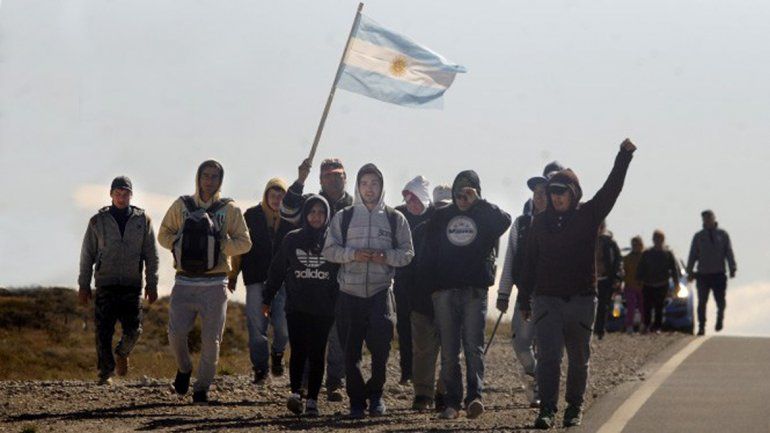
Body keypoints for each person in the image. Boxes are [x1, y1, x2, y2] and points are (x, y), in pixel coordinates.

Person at [517, 139, 636, 429]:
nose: (556, 198)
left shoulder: (589, 215)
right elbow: (528, 263)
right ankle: (546, 409)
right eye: (552, 192)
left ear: (573, 194)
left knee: (579, 358)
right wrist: (523, 300)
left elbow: (612, 189)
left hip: (582, 299)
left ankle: (574, 407)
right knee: (548, 358)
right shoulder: (539, 223)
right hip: (547, 299)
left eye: (562, 193)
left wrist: (624, 156)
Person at [323, 163, 414, 418]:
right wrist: (353, 254)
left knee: (381, 350)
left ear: (382, 186)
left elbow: (407, 254)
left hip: (380, 293)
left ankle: (376, 396)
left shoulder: (396, 218)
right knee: (349, 352)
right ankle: (356, 401)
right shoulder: (345, 217)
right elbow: (329, 250)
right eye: (364, 183)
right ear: (357, 186)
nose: (369, 188)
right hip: (348, 294)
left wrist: (386, 257)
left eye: (374, 183)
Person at [158, 160, 251, 404]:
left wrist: (220, 246)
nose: (209, 181)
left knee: (212, 340)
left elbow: (245, 242)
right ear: (198, 178)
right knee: (176, 333)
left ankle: (202, 388)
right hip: (184, 281)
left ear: (220, 180)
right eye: (205, 176)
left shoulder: (229, 209)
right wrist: (181, 243)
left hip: (215, 282)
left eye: (214, 177)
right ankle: (185, 368)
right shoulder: (182, 206)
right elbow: (162, 234)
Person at [423, 170, 511, 420]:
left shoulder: (484, 216)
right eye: (459, 192)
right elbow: (427, 250)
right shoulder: (442, 216)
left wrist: (479, 203)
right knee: (450, 350)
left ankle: (475, 397)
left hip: (475, 291)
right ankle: (452, 402)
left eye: (468, 192)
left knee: (474, 346)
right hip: (445, 292)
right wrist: (433, 288)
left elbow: (505, 221)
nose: (462, 197)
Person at [281, 157, 353, 401]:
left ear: (346, 177)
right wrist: (300, 180)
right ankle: (302, 386)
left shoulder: (354, 206)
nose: (334, 179)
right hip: (312, 283)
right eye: (329, 175)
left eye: (338, 174)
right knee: (308, 339)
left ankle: (335, 383)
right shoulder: (311, 202)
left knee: (338, 335)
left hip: (343, 281)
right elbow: (287, 211)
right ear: (320, 179)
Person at [262, 195, 339, 417]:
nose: (316, 217)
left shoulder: (333, 241)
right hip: (296, 307)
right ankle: (296, 393)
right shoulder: (292, 239)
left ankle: (313, 399)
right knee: (298, 351)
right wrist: (267, 298)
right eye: (312, 212)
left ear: (327, 216)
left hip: (324, 310)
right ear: (305, 215)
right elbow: (277, 270)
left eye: (321, 213)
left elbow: (341, 275)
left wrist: (338, 304)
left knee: (317, 354)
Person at [78, 176, 159, 385]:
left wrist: (152, 283)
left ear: (131, 195)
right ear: (111, 194)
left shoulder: (143, 221)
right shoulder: (98, 221)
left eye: (125, 194)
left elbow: (151, 255)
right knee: (103, 332)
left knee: (134, 330)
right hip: (106, 284)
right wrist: (83, 285)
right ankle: (106, 373)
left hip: (132, 286)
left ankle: (122, 352)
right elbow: (87, 254)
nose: (121, 198)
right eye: (118, 193)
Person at [228, 178, 294, 383]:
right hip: (256, 278)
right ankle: (260, 369)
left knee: (283, 328)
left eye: (281, 196)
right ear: (266, 196)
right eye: (272, 195)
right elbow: (240, 249)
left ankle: (277, 354)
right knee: (257, 327)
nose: (276, 199)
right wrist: (233, 275)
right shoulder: (251, 216)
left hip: (283, 282)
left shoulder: (291, 220)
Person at [496, 172, 550, 408]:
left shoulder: (559, 225)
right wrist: (503, 294)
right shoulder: (521, 224)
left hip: (551, 296)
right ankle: (534, 372)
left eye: (544, 193)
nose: (539, 197)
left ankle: (542, 391)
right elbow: (510, 259)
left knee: (546, 345)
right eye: (536, 193)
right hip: (525, 295)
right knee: (520, 344)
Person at [393, 175, 435, 386]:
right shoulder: (398, 214)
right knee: (404, 327)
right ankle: (406, 371)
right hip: (403, 281)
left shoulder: (436, 215)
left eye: (415, 200)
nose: (412, 204)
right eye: (408, 199)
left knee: (427, 330)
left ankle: (426, 373)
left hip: (428, 283)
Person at [686, 210, 737, 335]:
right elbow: (692, 255)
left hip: (718, 274)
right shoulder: (699, 237)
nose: (707, 221)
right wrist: (690, 272)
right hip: (703, 274)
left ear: (714, 219)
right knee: (702, 301)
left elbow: (728, 252)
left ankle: (720, 317)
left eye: (709, 218)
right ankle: (702, 326)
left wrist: (732, 267)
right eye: (705, 219)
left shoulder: (722, 235)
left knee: (720, 300)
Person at [636, 230, 681, 335]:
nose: (658, 241)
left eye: (659, 239)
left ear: (663, 240)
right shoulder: (647, 253)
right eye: (656, 238)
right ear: (653, 240)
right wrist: (639, 279)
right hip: (648, 284)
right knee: (647, 306)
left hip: (662, 284)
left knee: (659, 306)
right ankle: (646, 325)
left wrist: (676, 284)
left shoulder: (668, 254)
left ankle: (657, 327)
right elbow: (641, 267)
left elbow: (674, 270)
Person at [594, 221, 623, 339]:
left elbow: (618, 260)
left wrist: (617, 277)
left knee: (603, 305)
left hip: (605, 279)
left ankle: (600, 330)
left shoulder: (610, 242)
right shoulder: (586, 239)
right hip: (590, 280)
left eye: (601, 226)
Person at [622, 236, 645, 333]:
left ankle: (644, 325)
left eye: (637, 244)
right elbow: (623, 273)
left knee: (643, 307)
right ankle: (629, 326)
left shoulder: (645, 257)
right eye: (633, 244)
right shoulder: (627, 258)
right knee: (631, 306)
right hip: (630, 286)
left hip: (643, 287)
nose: (635, 246)